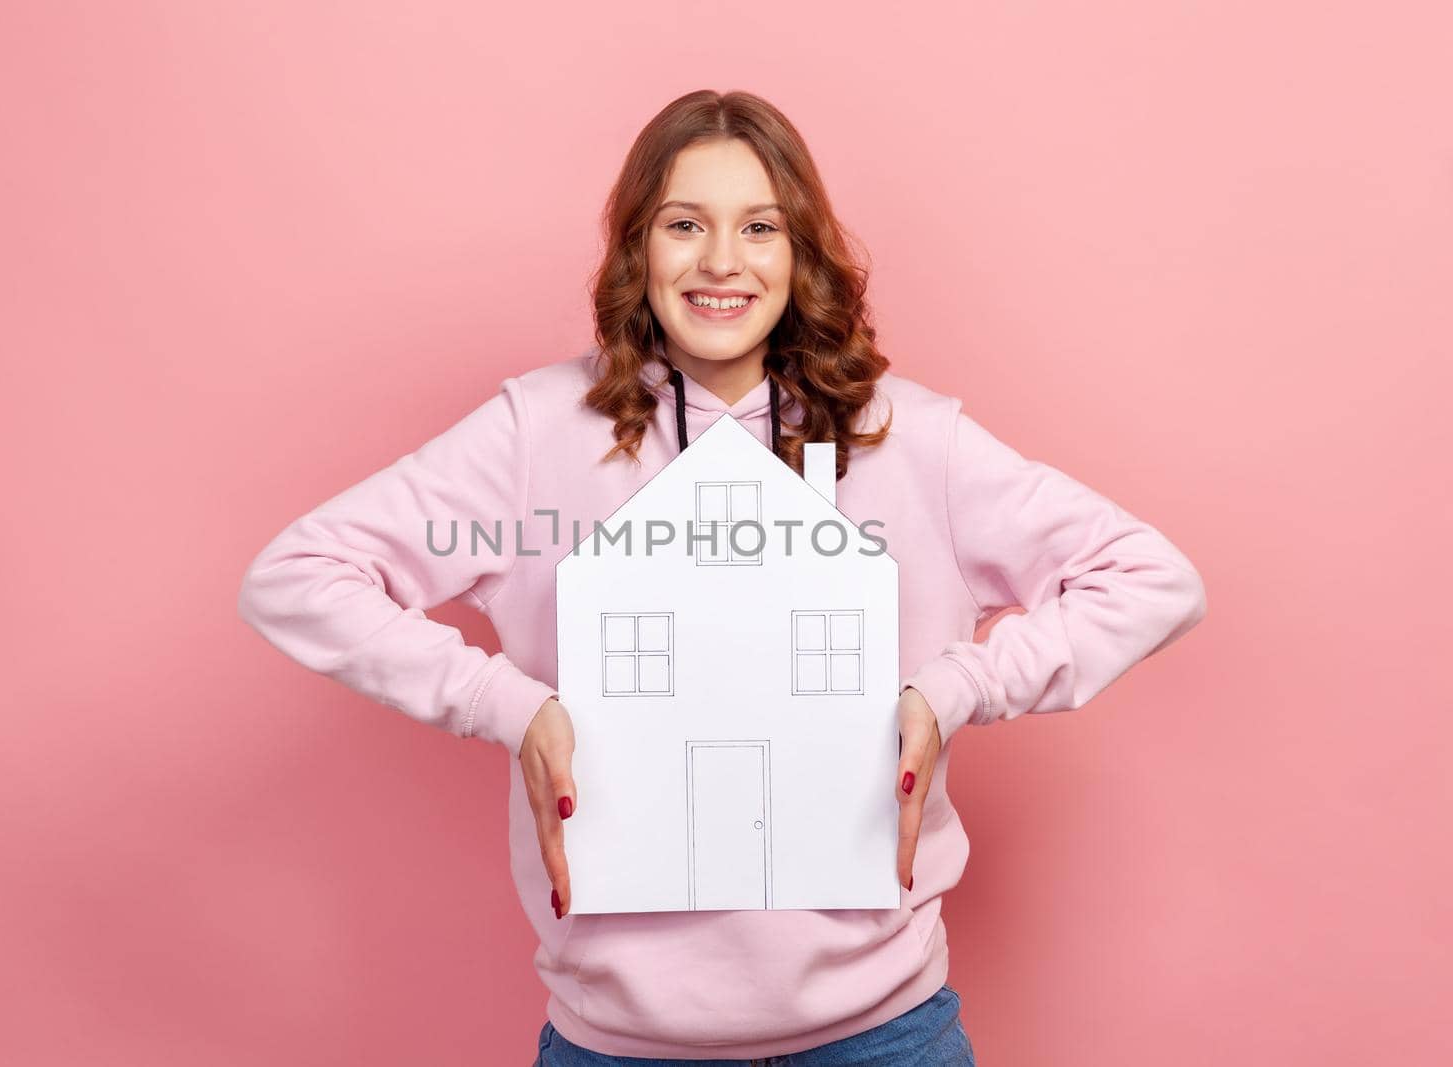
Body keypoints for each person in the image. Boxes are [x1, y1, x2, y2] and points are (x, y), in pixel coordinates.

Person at [236, 89, 1207, 1064]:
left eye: (758, 226)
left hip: (882, 1032)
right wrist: (506, 702)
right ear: (636, 249)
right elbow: (302, 573)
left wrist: (958, 687)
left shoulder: (908, 439)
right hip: (617, 1043)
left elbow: (1146, 575)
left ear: (800, 252)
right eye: (683, 224)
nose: (719, 261)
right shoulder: (536, 437)